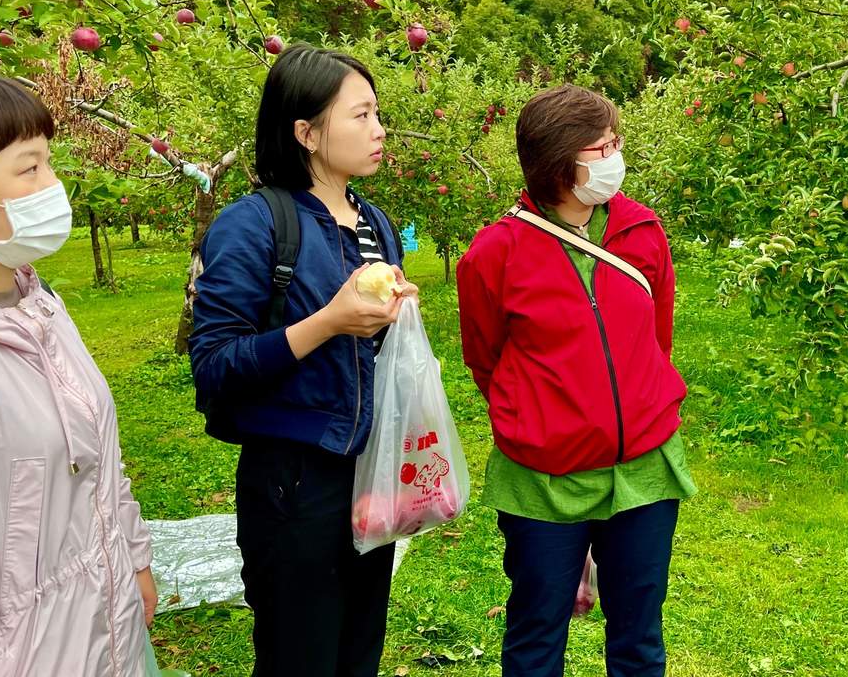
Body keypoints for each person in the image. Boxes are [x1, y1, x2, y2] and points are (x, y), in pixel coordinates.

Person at [189, 44, 417, 677]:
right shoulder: (253, 224)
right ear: (306, 133)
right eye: (361, 116)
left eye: (378, 114)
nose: (379, 130)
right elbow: (215, 363)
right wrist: (328, 323)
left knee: (359, 650)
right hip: (294, 482)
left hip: (366, 468)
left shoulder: (374, 223)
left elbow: (366, 350)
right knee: (300, 654)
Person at [457, 84, 696, 677]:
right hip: (544, 478)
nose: (615, 157)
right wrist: (539, 418)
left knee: (639, 638)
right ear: (556, 163)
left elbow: (656, 339)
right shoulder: (495, 253)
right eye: (600, 148)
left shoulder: (642, 231)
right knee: (538, 635)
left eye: (615, 142)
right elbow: (486, 359)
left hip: (642, 470)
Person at [0, 71, 156, 676]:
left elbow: (99, 458)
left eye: (48, 162)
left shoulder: (38, 304)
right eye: (28, 170)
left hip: (105, 634)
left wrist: (133, 559)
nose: (53, 186)